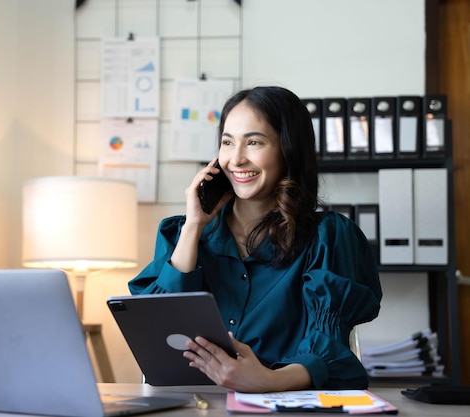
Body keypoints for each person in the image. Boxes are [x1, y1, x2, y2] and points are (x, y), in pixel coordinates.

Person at [128, 86, 382, 393]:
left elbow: (331, 355)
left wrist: (267, 380)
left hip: (282, 405)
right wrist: (194, 226)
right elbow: (155, 334)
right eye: (227, 142)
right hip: (191, 405)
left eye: (254, 142)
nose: (236, 159)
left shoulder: (328, 238)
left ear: (288, 149)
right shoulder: (182, 234)